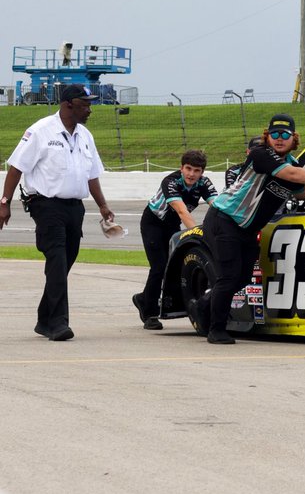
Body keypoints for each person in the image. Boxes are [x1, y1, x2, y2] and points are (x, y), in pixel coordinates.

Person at [199, 113, 305, 345]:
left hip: (246, 229)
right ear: (267, 137)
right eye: (274, 134)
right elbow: (289, 175)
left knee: (241, 278)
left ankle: (204, 307)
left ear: (293, 138)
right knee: (229, 277)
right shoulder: (261, 154)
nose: (279, 139)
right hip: (224, 219)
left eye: (285, 135)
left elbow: (303, 192)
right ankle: (215, 330)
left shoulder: (293, 164)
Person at [0, 84, 115, 341]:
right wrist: (4, 202)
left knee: (65, 263)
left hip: (75, 208)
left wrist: (103, 205)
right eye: (85, 104)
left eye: (90, 104)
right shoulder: (40, 131)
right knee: (57, 260)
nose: (90, 110)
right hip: (46, 205)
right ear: (68, 105)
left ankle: (44, 319)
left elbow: (92, 174)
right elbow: (16, 167)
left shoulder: (85, 135)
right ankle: (58, 324)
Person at [132, 150, 218, 331]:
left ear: (202, 172)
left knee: (172, 267)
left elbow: (217, 207)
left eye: (196, 170)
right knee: (159, 267)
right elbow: (182, 211)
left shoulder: (204, 183)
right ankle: (150, 314)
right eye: (188, 169)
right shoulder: (171, 181)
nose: (191, 174)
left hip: (172, 224)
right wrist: (199, 235)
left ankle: (143, 298)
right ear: (181, 168)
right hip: (153, 223)